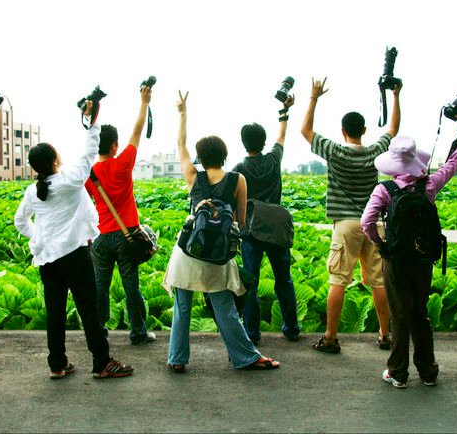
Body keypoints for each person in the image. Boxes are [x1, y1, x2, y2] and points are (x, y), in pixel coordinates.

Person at [14, 100, 135, 380]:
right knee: (88, 310)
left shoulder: (34, 192)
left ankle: (57, 364)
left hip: (47, 259)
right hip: (73, 254)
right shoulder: (69, 181)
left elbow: (21, 221)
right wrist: (90, 121)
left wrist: (41, 237)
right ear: (56, 161)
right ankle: (102, 362)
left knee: (55, 312)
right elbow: (91, 150)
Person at [162, 91, 280, 373]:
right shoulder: (238, 179)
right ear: (225, 155)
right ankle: (245, 357)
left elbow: (180, 144)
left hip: (189, 249)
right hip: (217, 253)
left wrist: (182, 113)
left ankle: (177, 360)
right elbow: (239, 221)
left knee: (183, 307)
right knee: (224, 307)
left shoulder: (194, 176)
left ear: (201, 157)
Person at [362, 108, 457, 388]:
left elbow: (367, 222)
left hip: (396, 259)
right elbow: (454, 163)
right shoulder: (429, 185)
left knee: (400, 314)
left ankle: (398, 373)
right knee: (420, 313)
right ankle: (428, 372)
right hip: (423, 258)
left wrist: (381, 245)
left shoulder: (385, 189)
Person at [301, 77, 400, 353]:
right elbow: (392, 128)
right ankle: (384, 335)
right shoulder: (374, 152)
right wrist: (395, 96)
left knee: (338, 281)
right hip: (374, 223)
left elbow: (306, 130)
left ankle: (331, 337)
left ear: (342, 131)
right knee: (379, 282)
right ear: (364, 130)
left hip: (345, 225)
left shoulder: (334, 151)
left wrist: (313, 97)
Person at [83, 84, 156, 346]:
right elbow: (137, 132)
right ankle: (138, 332)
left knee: (100, 288)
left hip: (102, 238)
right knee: (131, 287)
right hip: (127, 237)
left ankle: (98, 330)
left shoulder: (89, 174)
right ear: (115, 145)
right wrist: (144, 102)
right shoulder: (123, 163)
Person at [231, 94, 300, 344]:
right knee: (285, 279)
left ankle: (252, 333)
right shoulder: (273, 159)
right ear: (263, 141)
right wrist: (284, 111)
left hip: (252, 230)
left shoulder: (239, 169)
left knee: (251, 281)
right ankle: (291, 328)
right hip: (277, 229)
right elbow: (281, 136)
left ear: (243, 142)